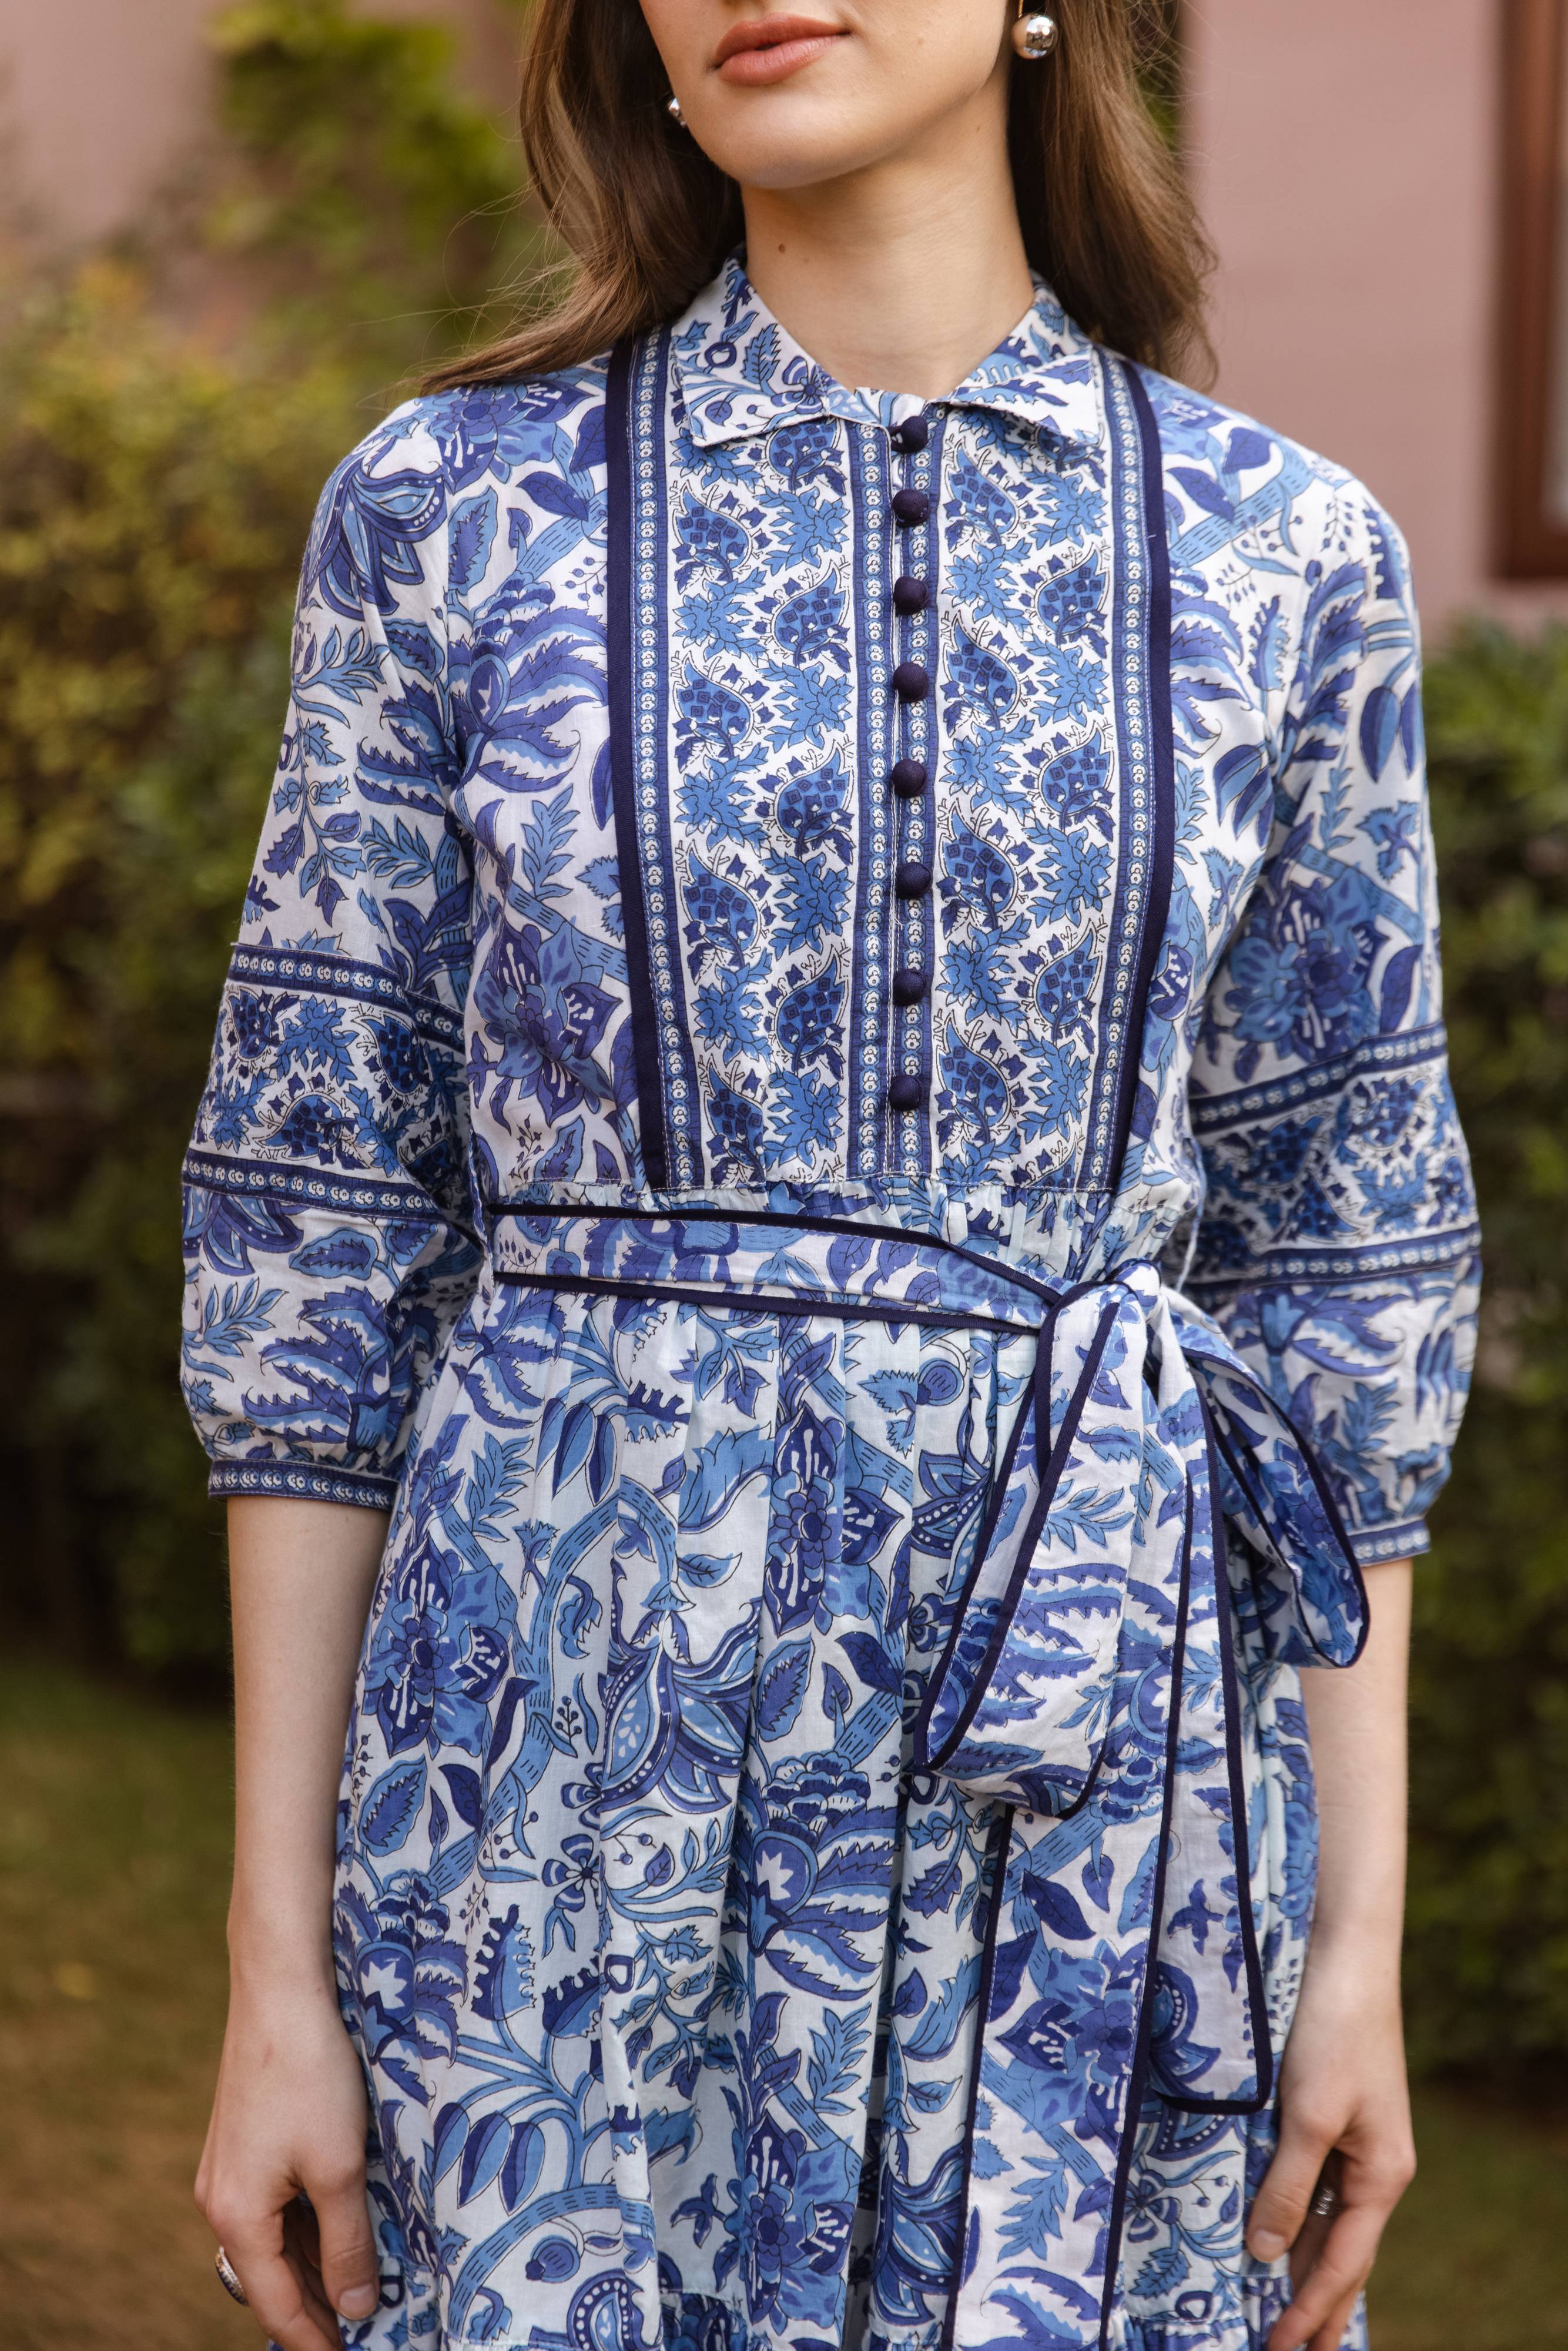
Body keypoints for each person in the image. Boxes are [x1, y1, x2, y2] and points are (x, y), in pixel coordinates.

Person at [181, 5, 1480, 2349]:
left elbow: (1346, 1282)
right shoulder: (449, 511)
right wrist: (277, 1965)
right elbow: (313, 1239)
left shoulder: (1290, 558)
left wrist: (1355, 1947)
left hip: (1099, 1800)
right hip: (557, 1764)